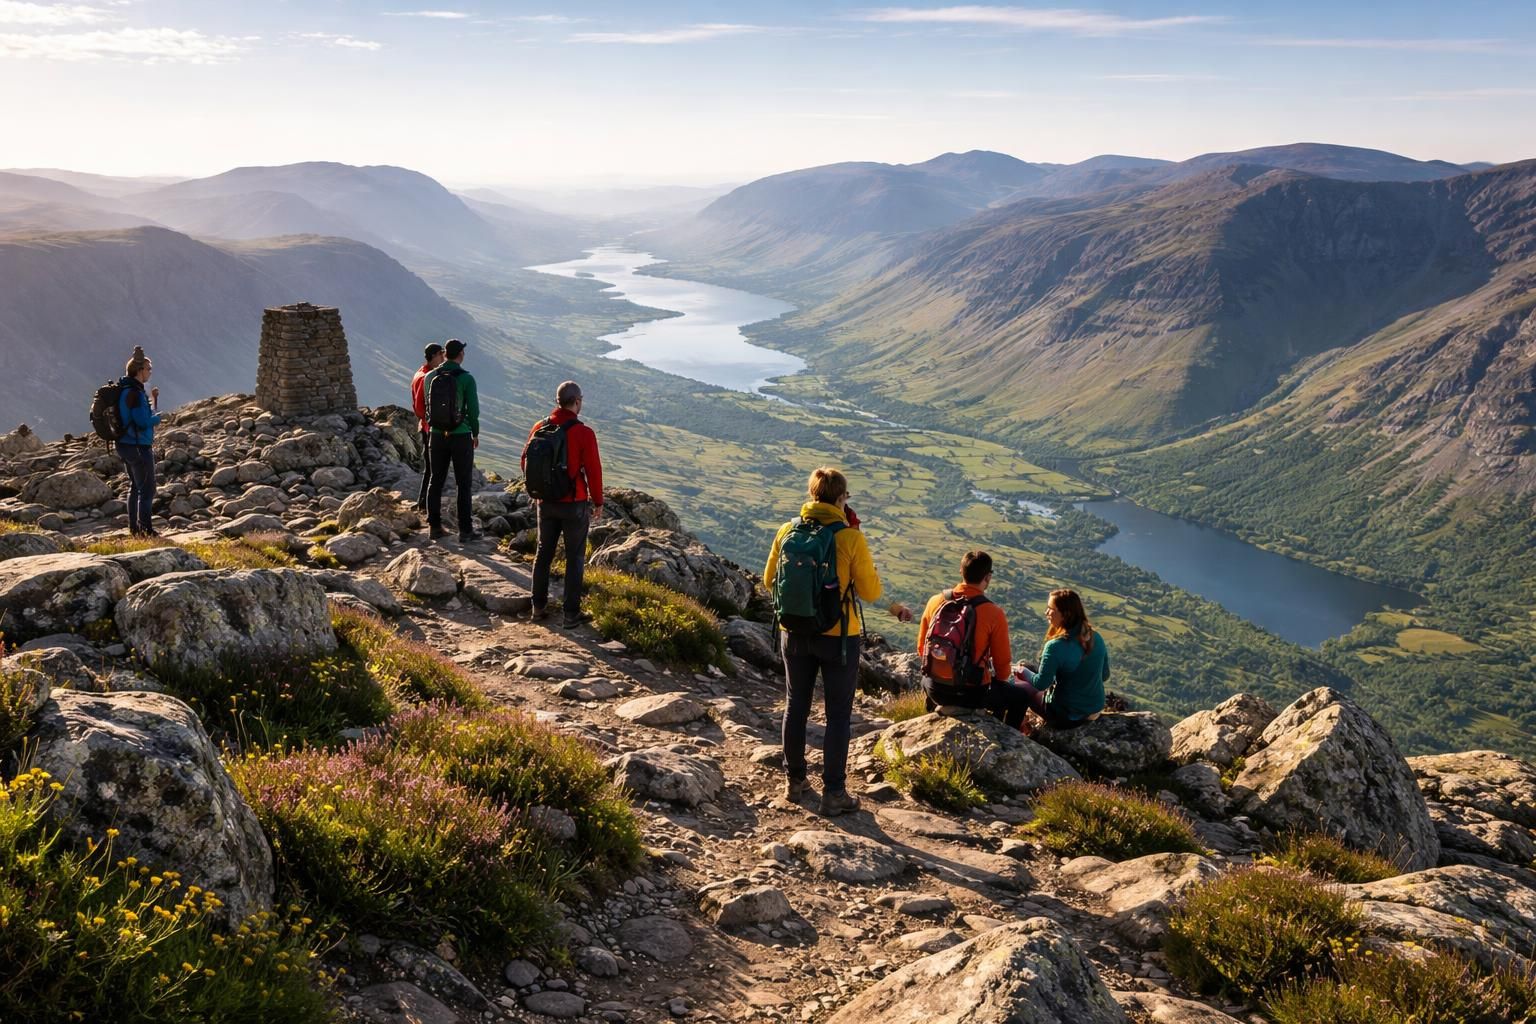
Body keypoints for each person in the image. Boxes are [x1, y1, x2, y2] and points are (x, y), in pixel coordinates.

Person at [763, 467, 911, 817]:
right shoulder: (849, 538)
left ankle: (794, 782)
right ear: (841, 498)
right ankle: (834, 793)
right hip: (838, 638)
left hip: (795, 632)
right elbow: (870, 590)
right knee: (838, 716)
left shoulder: (787, 531)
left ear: (812, 495)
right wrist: (893, 607)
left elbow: (770, 579)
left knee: (795, 704)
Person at [916, 550, 1037, 729]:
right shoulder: (993, 613)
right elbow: (1003, 669)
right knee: (1021, 697)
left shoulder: (935, 601)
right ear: (987, 577)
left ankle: (933, 717)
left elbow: (921, 649)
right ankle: (1009, 739)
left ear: (961, 571)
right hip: (971, 694)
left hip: (934, 688)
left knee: (930, 677)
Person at [524, 380, 603, 627]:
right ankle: (571, 614)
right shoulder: (583, 433)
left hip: (545, 502)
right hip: (573, 504)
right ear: (577, 401)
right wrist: (598, 502)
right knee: (575, 557)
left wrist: (539, 490)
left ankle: (538, 607)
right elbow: (593, 471)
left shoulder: (540, 427)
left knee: (543, 554)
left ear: (557, 401)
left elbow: (525, 461)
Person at [1015, 588, 1110, 728]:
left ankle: (1018, 727)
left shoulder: (1056, 646)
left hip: (1066, 715)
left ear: (1065, 615)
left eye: (1050, 609)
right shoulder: (1096, 637)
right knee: (1027, 665)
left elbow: (1042, 684)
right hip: (1094, 709)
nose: (1046, 613)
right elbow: (1104, 675)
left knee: (1020, 684)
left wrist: (1022, 672)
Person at [423, 338, 479, 542]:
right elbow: (473, 410)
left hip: (437, 434)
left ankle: (434, 527)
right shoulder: (466, 378)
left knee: (435, 479)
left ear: (445, 354)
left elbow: (427, 405)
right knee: (463, 483)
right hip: (461, 434)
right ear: (461, 355)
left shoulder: (430, 377)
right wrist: (475, 432)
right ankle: (465, 531)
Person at [117, 346, 163, 537]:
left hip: (125, 445)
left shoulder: (126, 390)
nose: (150, 372)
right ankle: (145, 530)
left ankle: (134, 528)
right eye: (148, 369)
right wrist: (158, 418)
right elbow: (142, 421)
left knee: (135, 486)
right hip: (138, 447)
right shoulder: (135, 394)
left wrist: (153, 400)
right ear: (139, 371)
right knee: (148, 488)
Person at [410, 342, 446, 512]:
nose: (443, 357)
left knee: (430, 468)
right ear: (433, 356)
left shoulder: (420, 373)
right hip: (428, 428)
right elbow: (419, 407)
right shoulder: (426, 378)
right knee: (434, 469)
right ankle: (428, 507)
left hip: (424, 426)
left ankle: (422, 502)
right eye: (441, 354)